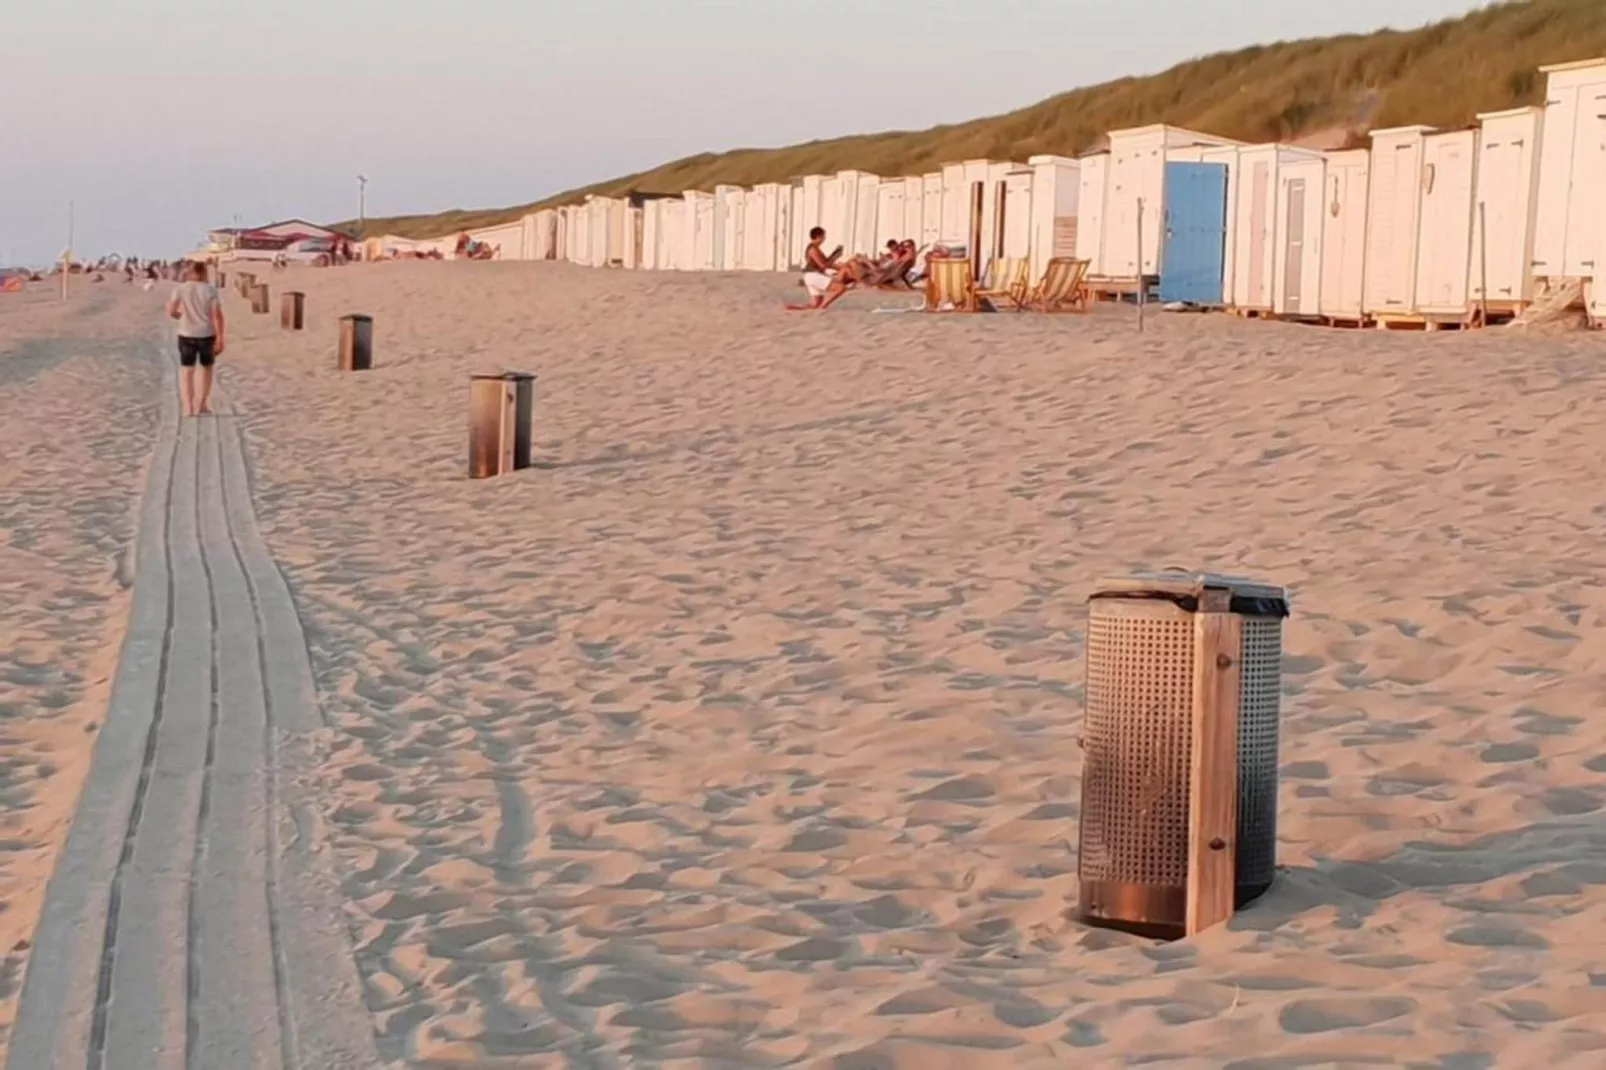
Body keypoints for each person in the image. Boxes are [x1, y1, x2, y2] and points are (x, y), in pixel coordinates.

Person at [164, 261, 226, 417]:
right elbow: (217, 315)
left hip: (186, 333)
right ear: (204, 273)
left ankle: (188, 408)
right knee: (206, 369)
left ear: (190, 273)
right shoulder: (210, 290)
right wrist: (220, 338)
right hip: (206, 334)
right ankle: (201, 404)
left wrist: (179, 315)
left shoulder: (181, 289)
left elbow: (171, 310)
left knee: (187, 370)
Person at [787, 227, 844, 310]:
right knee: (840, 288)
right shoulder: (813, 249)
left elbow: (826, 262)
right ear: (818, 237)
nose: (824, 238)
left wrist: (835, 255)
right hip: (813, 275)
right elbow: (823, 265)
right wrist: (836, 259)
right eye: (823, 236)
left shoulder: (815, 248)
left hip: (811, 276)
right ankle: (823, 306)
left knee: (815, 304)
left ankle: (793, 308)